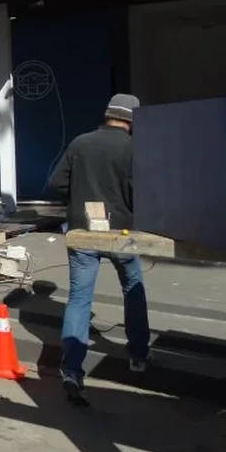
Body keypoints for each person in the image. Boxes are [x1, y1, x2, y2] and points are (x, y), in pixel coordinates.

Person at [49, 93, 150, 404]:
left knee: (79, 298)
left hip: (83, 231)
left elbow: (56, 183)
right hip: (122, 231)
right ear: (132, 121)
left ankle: (72, 370)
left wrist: (80, 199)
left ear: (108, 115)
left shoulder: (80, 143)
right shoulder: (133, 147)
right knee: (133, 284)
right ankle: (137, 354)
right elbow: (141, 191)